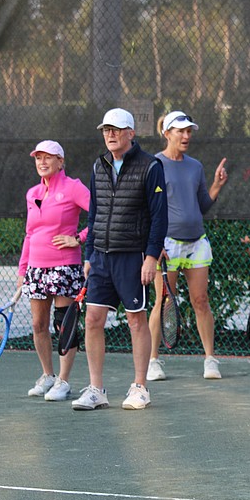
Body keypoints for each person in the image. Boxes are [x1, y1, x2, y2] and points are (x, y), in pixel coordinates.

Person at [71, 108, 168, 411]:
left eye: (116, 129)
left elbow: (159, 217)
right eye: (106, 130)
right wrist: (90, 255)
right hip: (101, 257)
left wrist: (151, 257)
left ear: (131, 133)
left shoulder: (151, 166)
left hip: (133, 256)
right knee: (93, 319)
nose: (110, 135)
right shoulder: (98, 166)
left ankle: (140, 387)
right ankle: (96, 389)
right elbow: (95, 212)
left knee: (135, 320)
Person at [146, 111, 228, 381]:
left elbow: (203, 205)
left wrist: (216, 184)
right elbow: (148, 211)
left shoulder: (195, 166)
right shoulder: (154, 165)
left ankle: (210, 360)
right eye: (180, 131)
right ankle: (153, 361)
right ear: (167, 133)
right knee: (162, 301)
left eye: (189, 131)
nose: (186, 136)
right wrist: (154, 245)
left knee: (200, 301)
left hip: (197, 243)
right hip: (166, 244)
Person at [18, 140, 90, 401]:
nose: (42, 162)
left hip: (65, 266)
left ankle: (64, 380)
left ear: (61, 162)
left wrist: (79, 238)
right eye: (38, 158)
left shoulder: (74, 188)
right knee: (39, 324)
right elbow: (30, 233)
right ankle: (48, 375)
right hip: (36, 268)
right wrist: (22, 271)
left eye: (48, 157)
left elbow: (101, 215)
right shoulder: (32, 193)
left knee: (64, 324)